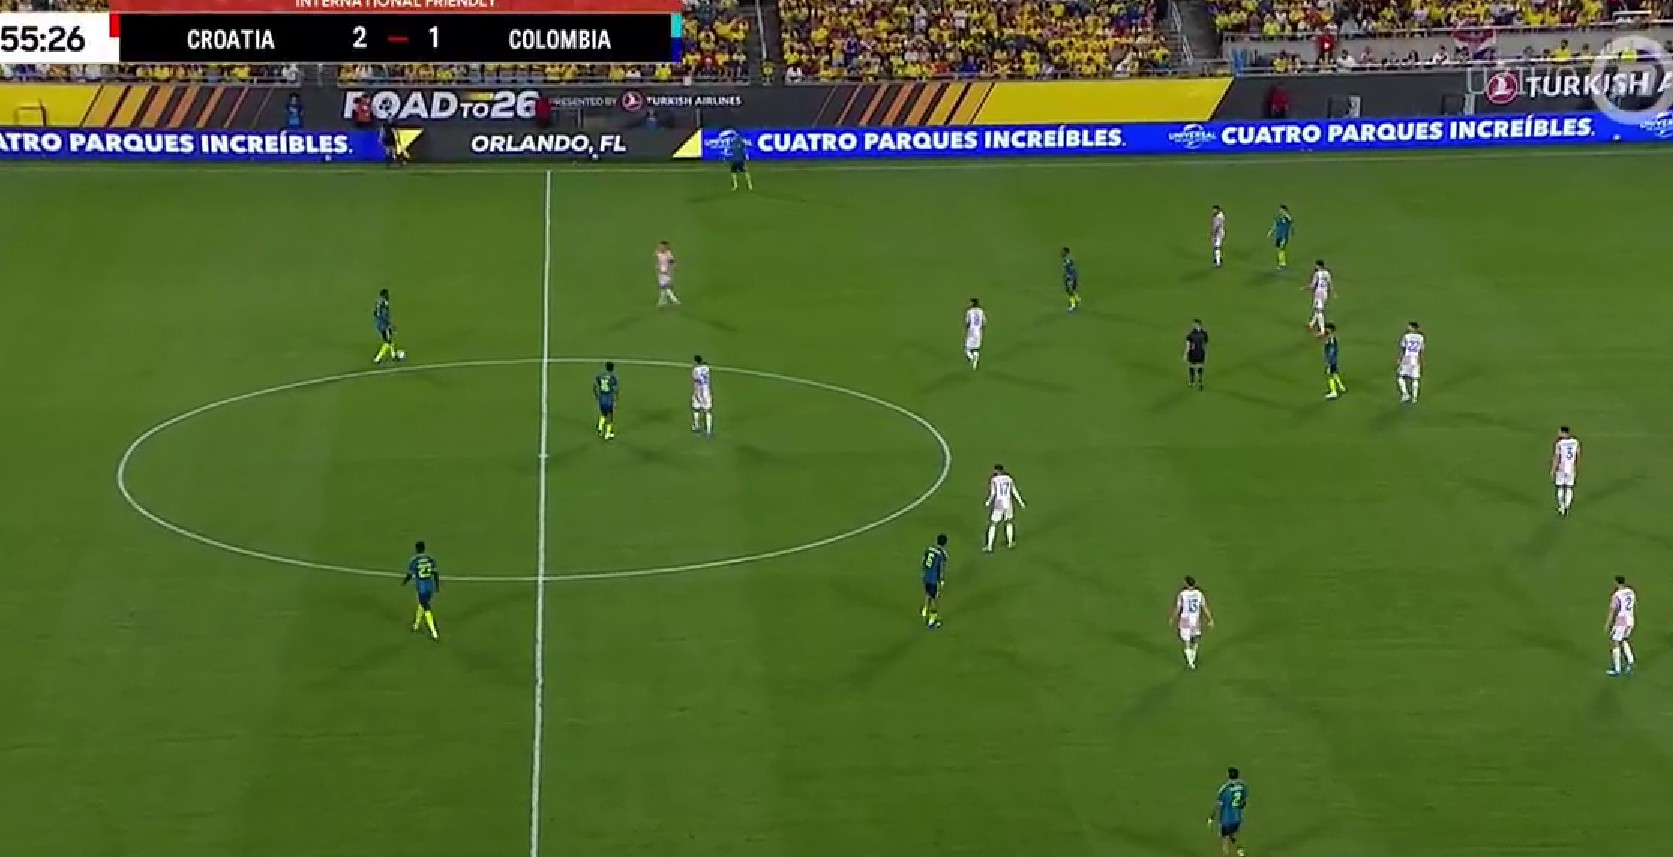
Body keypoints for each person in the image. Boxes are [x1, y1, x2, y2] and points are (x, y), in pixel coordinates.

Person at [402, 541, 440, 640]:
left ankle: (433, 632)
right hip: (430, 587)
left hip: (422, 588)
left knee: (426, 607)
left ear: (416, 549)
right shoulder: (430, 558)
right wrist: (437, 586)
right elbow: (435, 573)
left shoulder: (414, 560)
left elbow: (410, 574)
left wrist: (405, 582)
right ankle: (416, 624)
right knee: (422, 604)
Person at [1184, 319, 1208, 389]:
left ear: (1198, 324)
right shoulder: (1192, 333)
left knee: (1198, 366)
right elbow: (1188, 344)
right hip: (1194, 352)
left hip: (1198, 352)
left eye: (1194, 324)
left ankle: (1199, 381)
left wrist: (1206, 353)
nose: (1193, 325)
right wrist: (1185, 353)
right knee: (1192, 367)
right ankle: (1193, 381)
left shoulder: (1201, 333)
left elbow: (1205, 344)